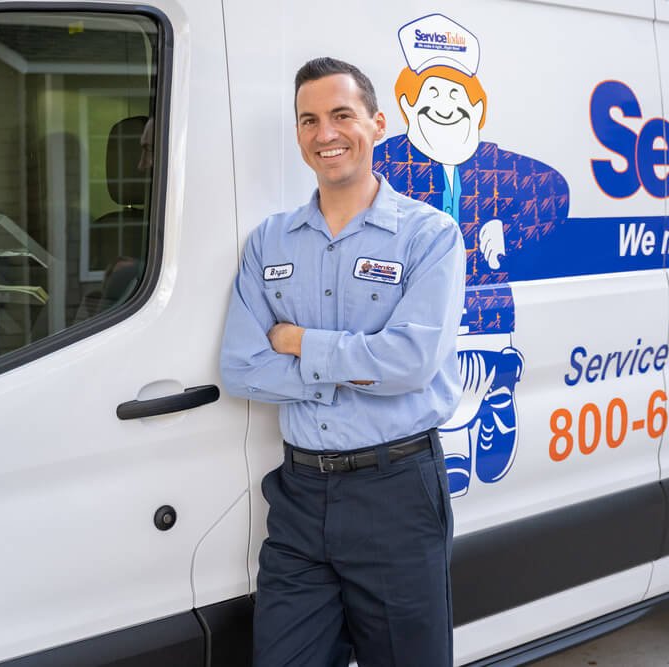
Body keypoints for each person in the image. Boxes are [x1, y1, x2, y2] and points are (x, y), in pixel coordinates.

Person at [220, 57, 466, 667]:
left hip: (396, 493)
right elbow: (242, 367)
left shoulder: (428, 236)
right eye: (308, 120)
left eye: (341, 115)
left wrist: (300, 342)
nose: (324, 133)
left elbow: (409, 363)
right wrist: (355, 372)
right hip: (300, 496)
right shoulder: (269, 242)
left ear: (377, 124)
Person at [373, 13, 570, 496]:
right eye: (432, 94)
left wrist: (512, 229)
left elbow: (556, 190)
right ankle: (458, 444)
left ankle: (497, 394)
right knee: (431, 385)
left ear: (477, 109)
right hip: (414, 308)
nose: (445, 107)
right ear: (407, 103)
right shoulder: (387, 160)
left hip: (485, 305)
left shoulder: (495, 164)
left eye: (457, 96)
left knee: (470, 367)